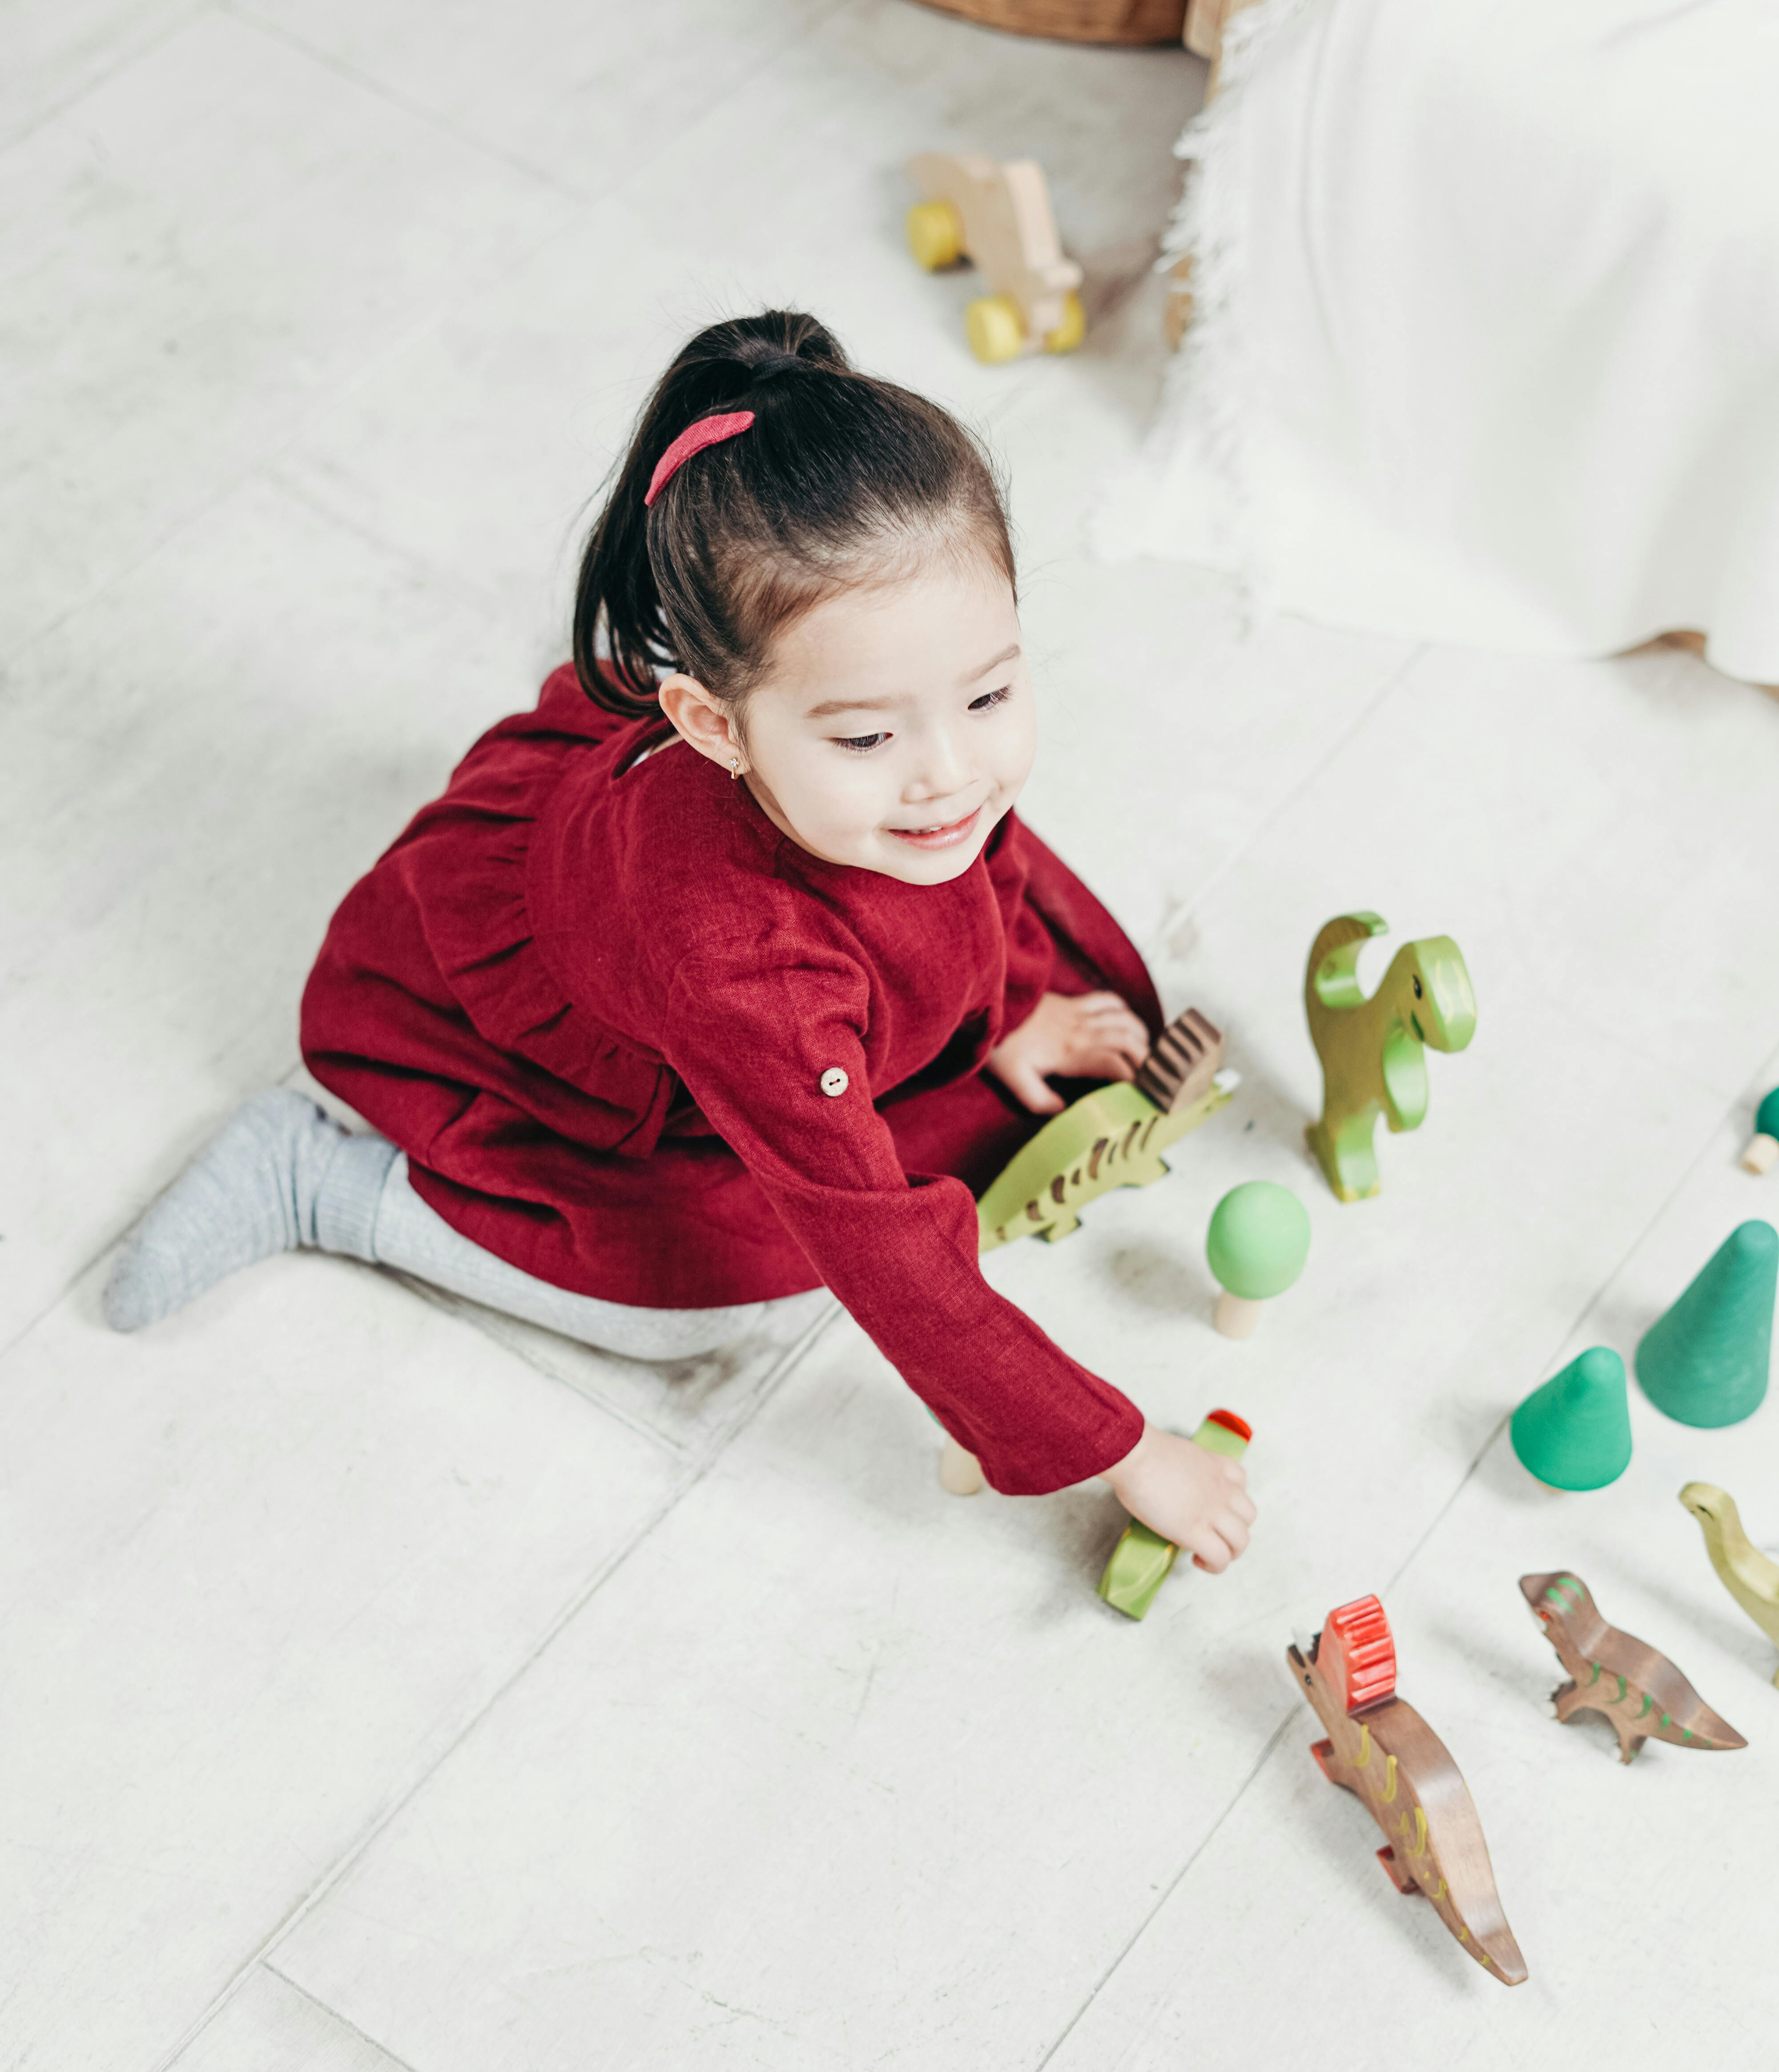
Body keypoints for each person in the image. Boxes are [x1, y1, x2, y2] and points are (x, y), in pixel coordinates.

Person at [105, 311, 1254, 1570]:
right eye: (867, 736)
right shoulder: (736, 959)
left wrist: (1010, 1004)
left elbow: (991, 851)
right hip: (544, 1030)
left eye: (990, 695)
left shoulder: (926, 770)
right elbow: (876, 1246)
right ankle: (326, 1186)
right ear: (712, 725)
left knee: (987, 946)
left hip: (682, 889)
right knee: (698, 1293)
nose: (949, 775)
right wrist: (1120, 1446)